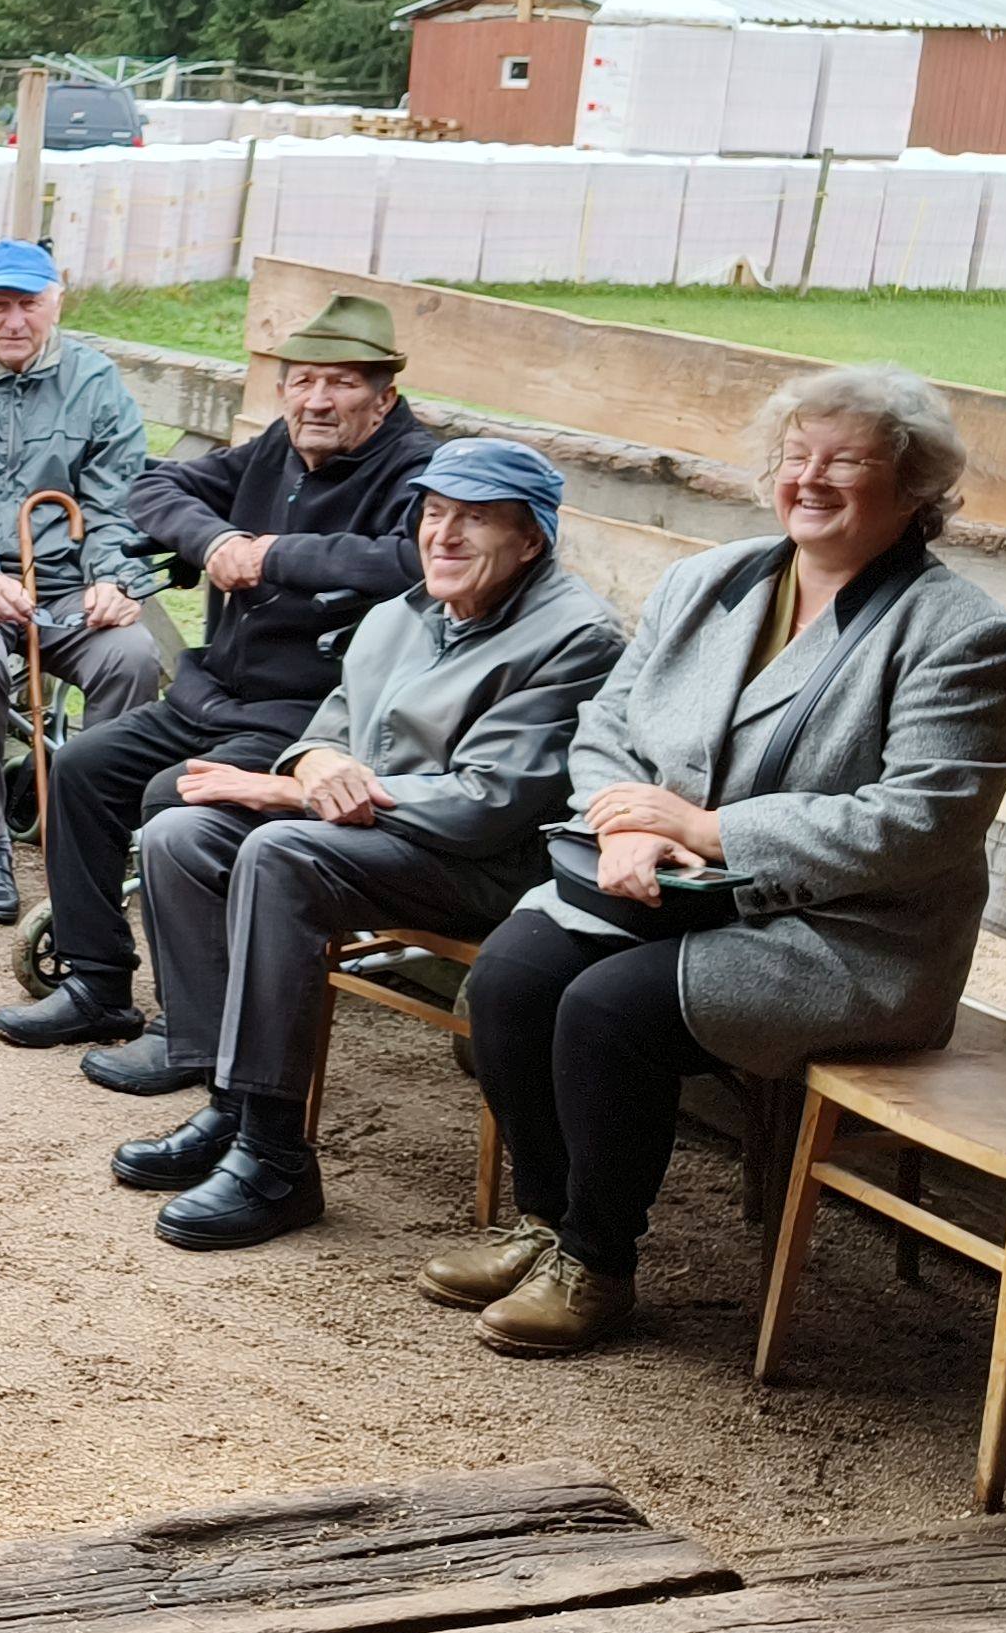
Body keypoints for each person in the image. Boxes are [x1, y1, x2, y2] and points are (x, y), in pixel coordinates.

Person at [431, 366, 1006, 1358]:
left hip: (847, 935)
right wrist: (626, 827)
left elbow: (922, 821)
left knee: (605, 1010)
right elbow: (607, 727)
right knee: (511, 975)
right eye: (796, 457)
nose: (811, 479)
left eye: (845, 463)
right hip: (668, 888)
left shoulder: (963, 635)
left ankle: (596, 1262)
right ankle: (542, 1222)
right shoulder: (709, 582)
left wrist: (708, 831)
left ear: (916, 487)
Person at [111, 441, 623, 1250]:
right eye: (434, 514)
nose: (443, 537)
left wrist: (296, 790)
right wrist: (310, 765)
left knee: (280, 853)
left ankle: (276, 1161)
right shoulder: (401, 613)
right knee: (184, 832)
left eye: (475, 519)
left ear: (532, 540)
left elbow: (486, 808)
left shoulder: (576, 638)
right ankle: (231, 1103)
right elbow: (326, 736)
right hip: (367, 838)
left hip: (487, 871)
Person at [13, 293, 442, 1065]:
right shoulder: (277, 446)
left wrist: (271, 556)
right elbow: (151, 489)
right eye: (302, 380)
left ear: (385, 397)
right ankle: (98, 982)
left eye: (341, 383)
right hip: (215, 692)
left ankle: (195, 1032)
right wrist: (217, 540)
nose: (317, 400)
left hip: (314, 720)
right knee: (82, 767)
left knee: (173, 798)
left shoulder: (419, 468)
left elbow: (411, 561)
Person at [0, 241, 165, 927]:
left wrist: (113, 578)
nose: (13, 320)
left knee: (133, 657)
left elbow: (117, 500)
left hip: (65, 581)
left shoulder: (96, 381)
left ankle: (93, 836)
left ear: (57, 302)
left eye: (29, 304)